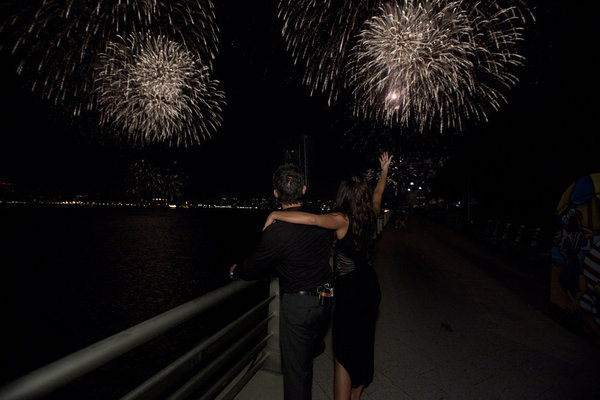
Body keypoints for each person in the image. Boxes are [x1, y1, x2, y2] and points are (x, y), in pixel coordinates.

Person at [263, 152, 392, 400]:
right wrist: (384, 171)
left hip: (351, 293)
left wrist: (276, 214)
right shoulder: (371, 214)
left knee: (343, 353)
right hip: (371, 287)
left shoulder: (341, 219)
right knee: (364, 344)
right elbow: (378, 193)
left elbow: (311, 218)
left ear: (342, 196)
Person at [229, 163, 334, 400]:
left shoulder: (276, 232)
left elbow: (254, 267)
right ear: (304, 189)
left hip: (300, 306)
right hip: (326, 298)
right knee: (307, 354)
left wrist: (236, 272)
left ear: (275, 194)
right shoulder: (320, 221)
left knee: (295, 374)